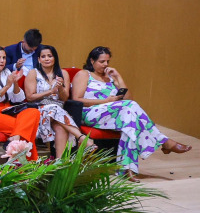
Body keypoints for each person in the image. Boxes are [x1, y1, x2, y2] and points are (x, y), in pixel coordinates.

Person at [71, 46, 190, 177]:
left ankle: (128, 170)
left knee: (130, 122)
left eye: (107, 62)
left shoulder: (110, 78)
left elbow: (129, 99)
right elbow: (77, 99)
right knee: (129, 112)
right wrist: (106, 101)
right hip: (90, 113)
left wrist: (118, 77)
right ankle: (164, 142)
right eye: (102, 62)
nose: (105, 65)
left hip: (115, 113)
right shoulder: (84, 74)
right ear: (92, 61)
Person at [23, 44, 88, 159]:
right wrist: (50, 91)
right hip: (39, 110)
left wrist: (61, 88)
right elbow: (30, 97)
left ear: (55, 58)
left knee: (60, 127)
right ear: (39, 59)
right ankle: (81, 137)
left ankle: (58, 163)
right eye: (43, 56)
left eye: (50, 56)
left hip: (58, 112)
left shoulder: (63, 74)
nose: (47, 59)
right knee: (53, 108)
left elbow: (64, 98)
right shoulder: (33, 73)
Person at [0, 47, 41, 152]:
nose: (2, 61)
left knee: (34, 112)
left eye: (4, 58)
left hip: (9, 109)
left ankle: (13, 140)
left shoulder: (6, 73)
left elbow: (18, 98)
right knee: (27, 128)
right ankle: (25, 160)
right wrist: (6, 86)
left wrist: (15, 83)